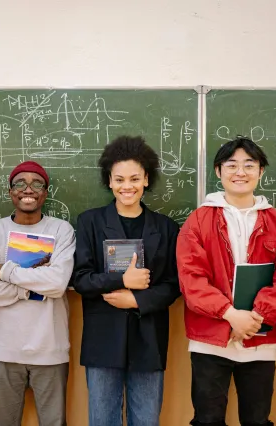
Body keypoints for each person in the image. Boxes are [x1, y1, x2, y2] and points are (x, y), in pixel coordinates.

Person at [177, 136, 276, 426]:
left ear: (261, 172)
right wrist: (231, 316)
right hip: (210, 341)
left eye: (250, 165)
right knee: (207, 419)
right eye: (231, 164)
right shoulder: (197, 222)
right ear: (218, 171)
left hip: (261, 340)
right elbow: (191, 279)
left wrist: (255, 319)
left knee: (257, 420)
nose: (240, 172)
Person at [73, 135, 180, 426]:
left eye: (135, 178)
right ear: (109, 181)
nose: (127, 186)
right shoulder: (89, 222)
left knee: (146, 420)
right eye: (119, 179)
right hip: (103, 338)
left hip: (148, 339)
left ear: (147, 178)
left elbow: (173, 285)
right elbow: (81, 279)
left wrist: (136, 299)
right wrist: (122, 279)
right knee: (102, 420)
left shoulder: (166, 227)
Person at [0, 161, 75, 426]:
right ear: (10, 192)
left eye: (37, 183)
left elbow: (56, 284)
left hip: (49, 348)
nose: (28, 189)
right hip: (3, 349)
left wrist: (5, 271)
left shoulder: (62, 231)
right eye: (20, 184)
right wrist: (28, 290)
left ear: (46, 192)